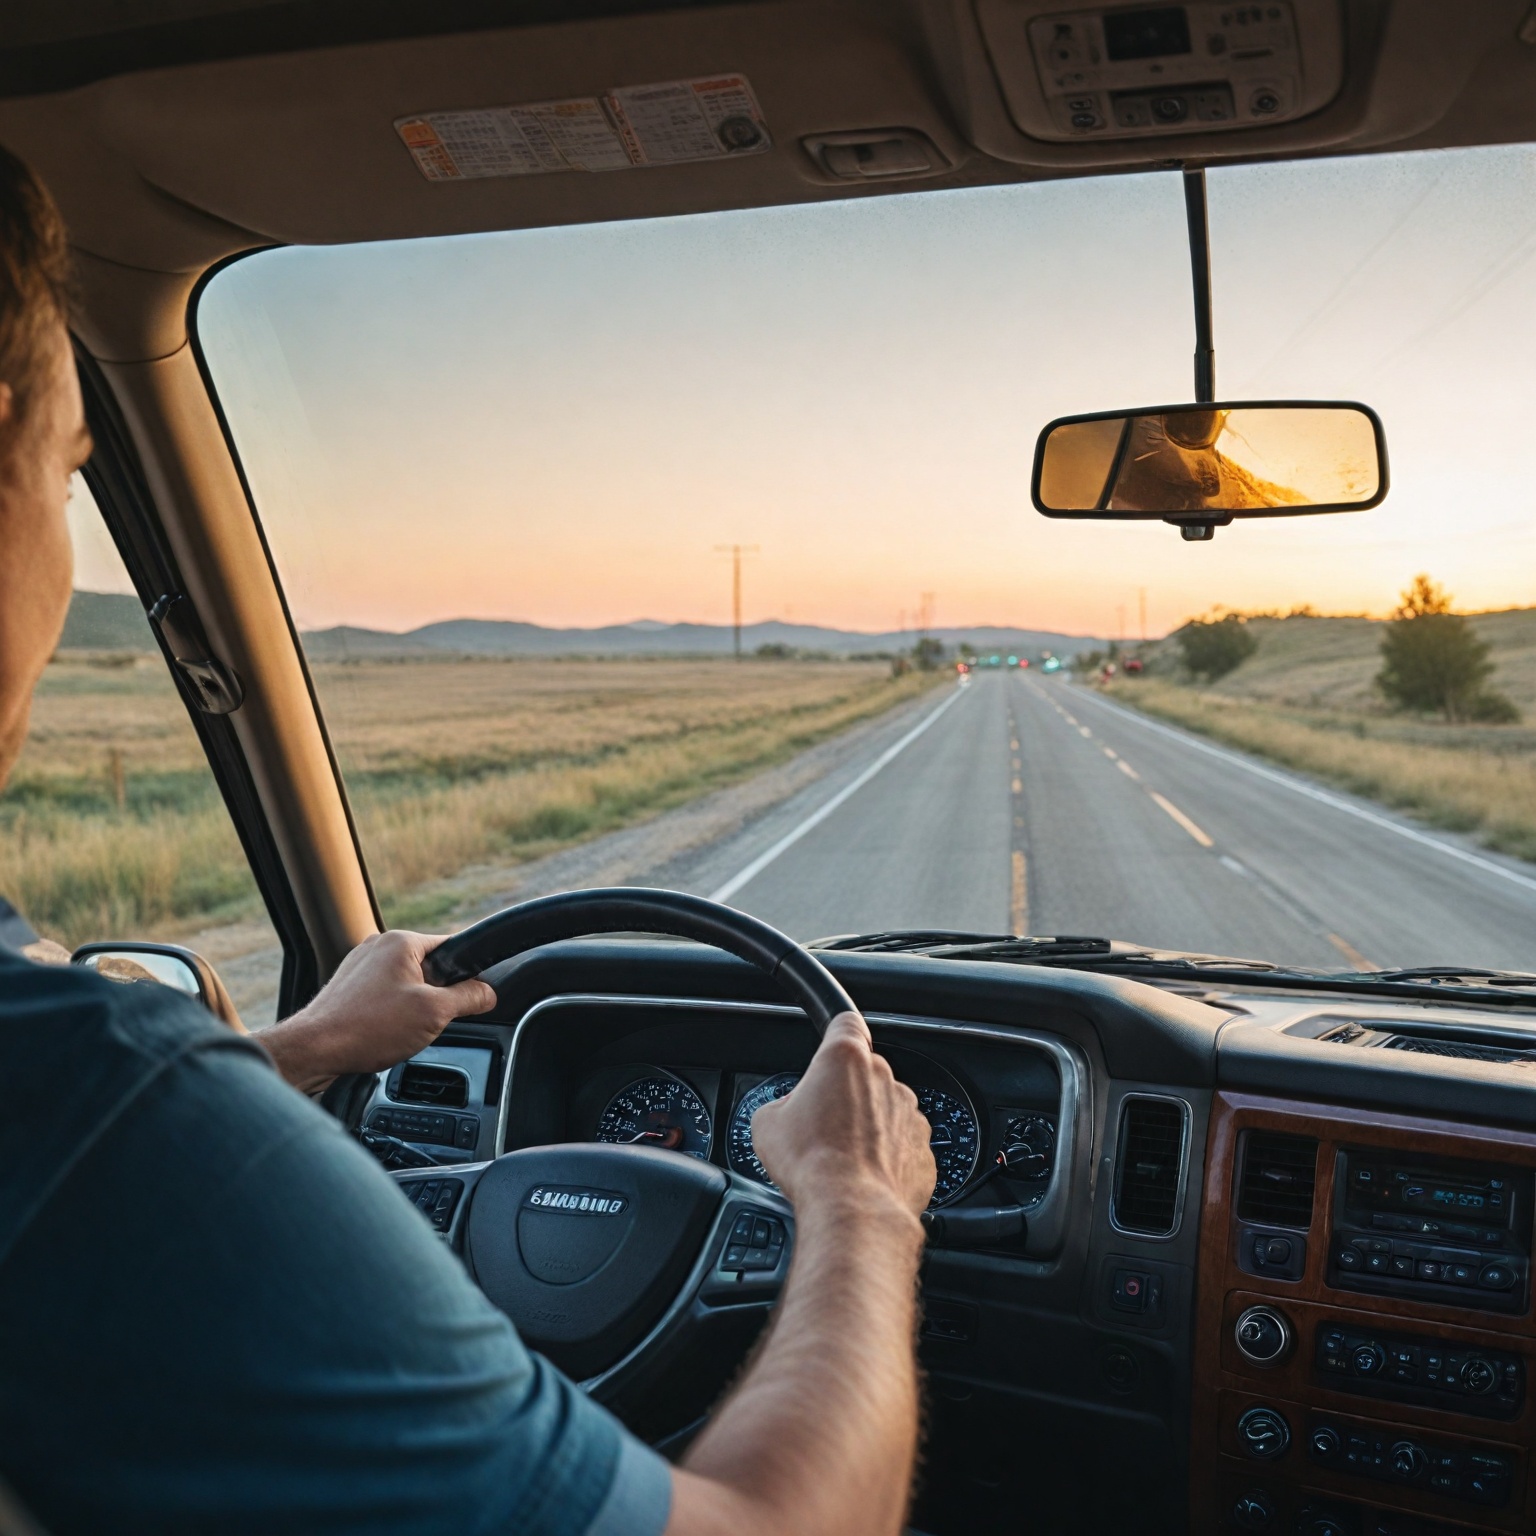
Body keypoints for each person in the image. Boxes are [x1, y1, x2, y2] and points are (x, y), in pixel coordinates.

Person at [0, 144, 937, 1536]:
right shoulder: (99, 1098)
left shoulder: (76, 1103)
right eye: (73, 475)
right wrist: (861, 1206)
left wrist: (301, 1049)